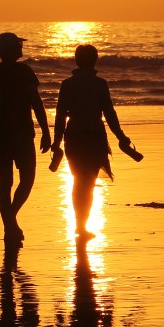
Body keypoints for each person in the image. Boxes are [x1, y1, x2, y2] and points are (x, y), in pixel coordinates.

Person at [0, 32, 52, 244]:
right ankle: (10, 222)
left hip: (1, 136)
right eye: (18, 44)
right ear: (10, 49)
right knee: (25, 180)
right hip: (21, 135)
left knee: (5, 183)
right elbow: (36, 103)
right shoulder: (24, 72)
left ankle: (9, 223)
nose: (21, 47)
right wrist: (46, 131)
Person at [51, 43, 133, 240]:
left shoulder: (67, 84)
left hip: (74, 136)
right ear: (95, 60)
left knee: (79, 181)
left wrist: (56, 143)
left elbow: (60, 116)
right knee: (88, 182)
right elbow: (109, 114)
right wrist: (121, 137)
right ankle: (82, 225)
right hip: (95, 136)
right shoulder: (99, 84)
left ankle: (80, 224)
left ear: (77, 61)